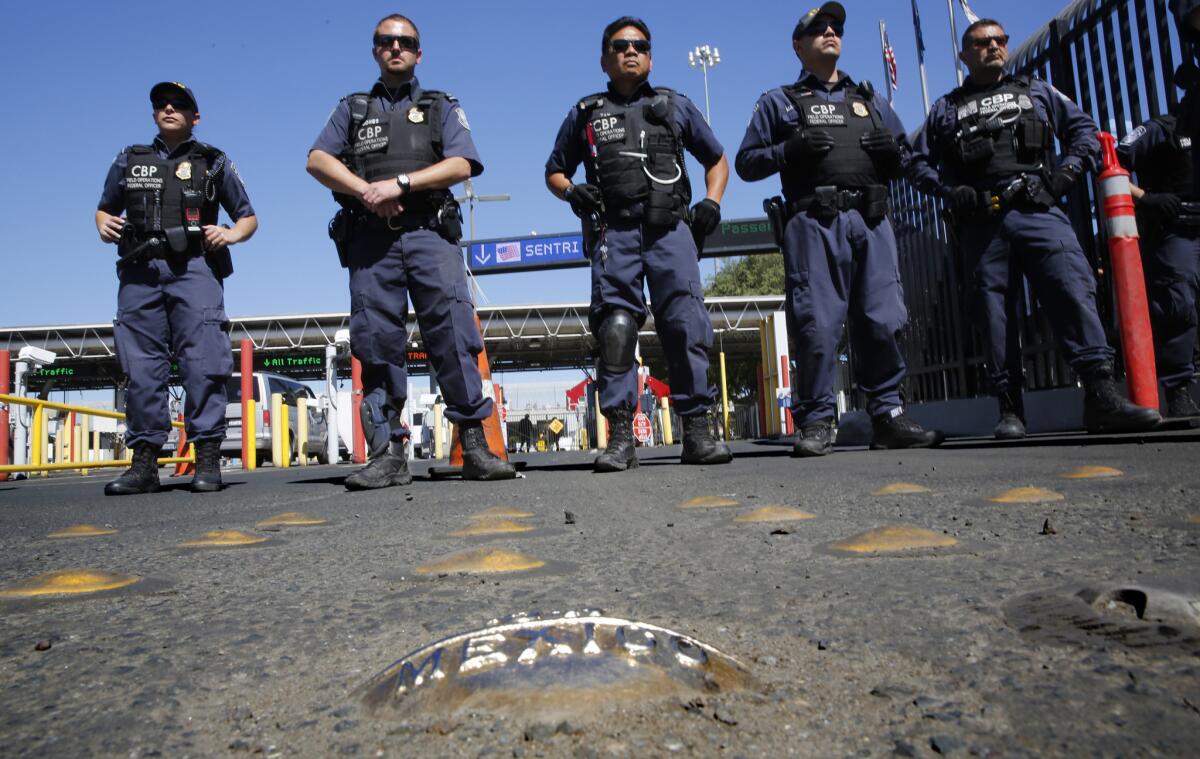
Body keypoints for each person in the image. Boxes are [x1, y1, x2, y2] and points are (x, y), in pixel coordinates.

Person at [908, 18, 1161, 437]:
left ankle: (1101, 396)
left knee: (1072, 291)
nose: (993, 46)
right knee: (993, 314)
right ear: (964, 55)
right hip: (982, 223)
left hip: (1038, 209)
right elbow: (914, 162)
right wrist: (950, 191)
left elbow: (1083, 132)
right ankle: (1010, 410)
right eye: (981, 42)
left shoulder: (1037, 90)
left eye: (999, 40)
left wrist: (1065, 174)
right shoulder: (946, 109)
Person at [307, 14, 515, 488]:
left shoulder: (440, 105)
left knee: (454, 334)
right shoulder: (353, 109)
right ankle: (387, 454)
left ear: (419, 53)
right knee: (376, 341)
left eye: (406, 42)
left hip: (428, 233)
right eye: (386, 40)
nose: (395, 47)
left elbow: (464, 162)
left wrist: (400, 183)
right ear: (375, 50)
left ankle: (475, 446)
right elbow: (317, 160)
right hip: (371, 240)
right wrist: (366, 192)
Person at [734, 3, 943, 457]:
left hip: (871, 220)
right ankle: (815, 419)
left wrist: (892, 153)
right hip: (814, 221)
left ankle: (888, 414)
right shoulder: (780, 101)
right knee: (816, 323)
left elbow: (908, 160)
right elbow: (746, 163)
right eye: (818, 28)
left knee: (884, 318)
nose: (830, 32)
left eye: (837, 27)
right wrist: (789, 149)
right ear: (799, 45)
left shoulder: (870, 100)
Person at [545, 16, 733, 472]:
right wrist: (571, 191)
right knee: (616, 330)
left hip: (671, 231)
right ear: (605, 58)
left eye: (640, 45)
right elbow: (553, 172)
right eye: (620, 45)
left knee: (687, 324)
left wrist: (712, 202)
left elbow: (718, 159)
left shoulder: (675, 105)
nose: (631, 51)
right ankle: (621, 437)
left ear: (650, 56)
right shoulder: (586, 112)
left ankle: (697, 431)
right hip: (615, 235)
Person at [96, 82, 257, 495]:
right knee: (141, 367)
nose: (168, 109)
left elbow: (247, 217)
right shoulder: (129, 160)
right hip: (140, 271)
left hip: (195, 268)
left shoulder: (213, 161)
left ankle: (206, 458)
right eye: (161, 104)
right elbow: (104, 208)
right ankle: (144, 464)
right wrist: (101, 222)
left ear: (195, 116)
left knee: (204, 359)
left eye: (179, 104)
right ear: (153, 113)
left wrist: (231, 235)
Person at [1117, 112, 1200, 418]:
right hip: (1175, 229)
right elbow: (1111, 162)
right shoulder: (1162, 129)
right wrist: (1145, 198)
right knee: (1178, 306)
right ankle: (1178, 389)